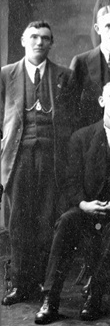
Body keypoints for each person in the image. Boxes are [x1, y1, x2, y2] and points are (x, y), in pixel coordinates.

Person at [34, 81, 110, 324]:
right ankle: (50, 299)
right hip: (88, 206)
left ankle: (95, 293)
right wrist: (83, 204)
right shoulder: (81, 137)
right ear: (102, 101)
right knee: (67, 221)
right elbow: (70, 181)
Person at [1, 21, 74, 306]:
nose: (39, 43)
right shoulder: (6, 74)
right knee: (19, 222)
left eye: (45, 38)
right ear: (23, 40)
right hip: (19, 158)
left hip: (52, 158)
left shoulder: (64, 76)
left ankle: (45, 284)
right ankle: (20, 285)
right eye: (33, 37)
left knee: (46, 220)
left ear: (51, 43)